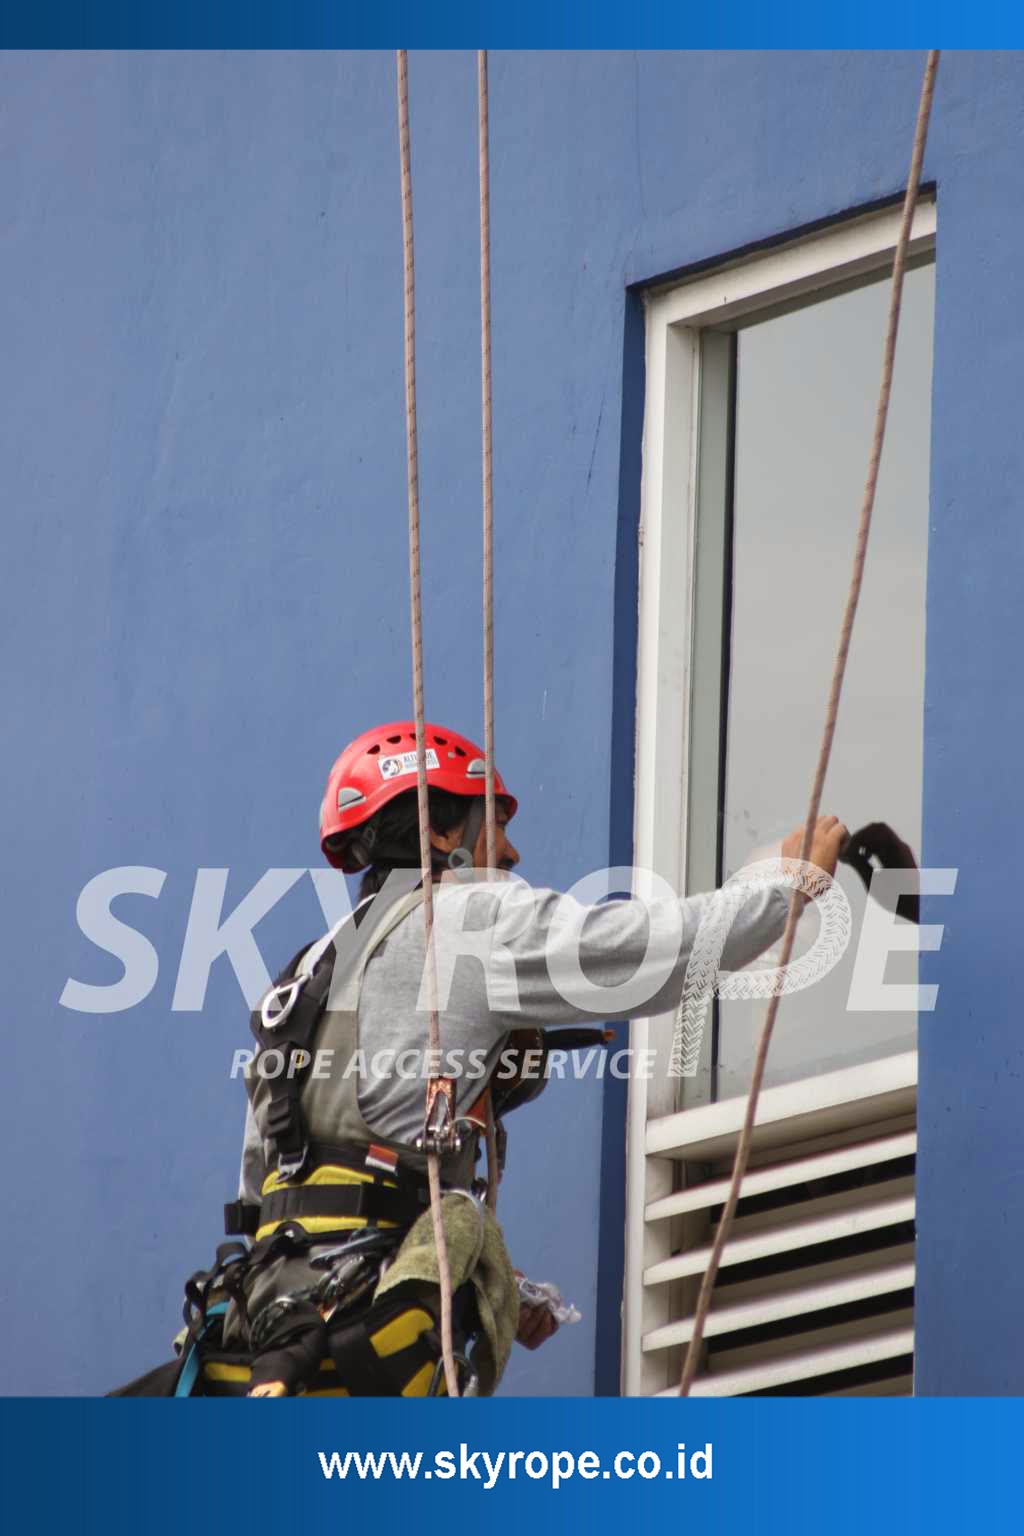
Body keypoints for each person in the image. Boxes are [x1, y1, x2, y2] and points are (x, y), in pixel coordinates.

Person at [217, 719, 847, 1398]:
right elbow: (645, 953)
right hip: (365, 1344)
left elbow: (279, 1190)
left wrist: (498, 1284)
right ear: (440, 832)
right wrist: (781, 886)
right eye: (496, 826)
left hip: (279, 1338)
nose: (513, 852)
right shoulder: (465, 915)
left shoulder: (303, 975)